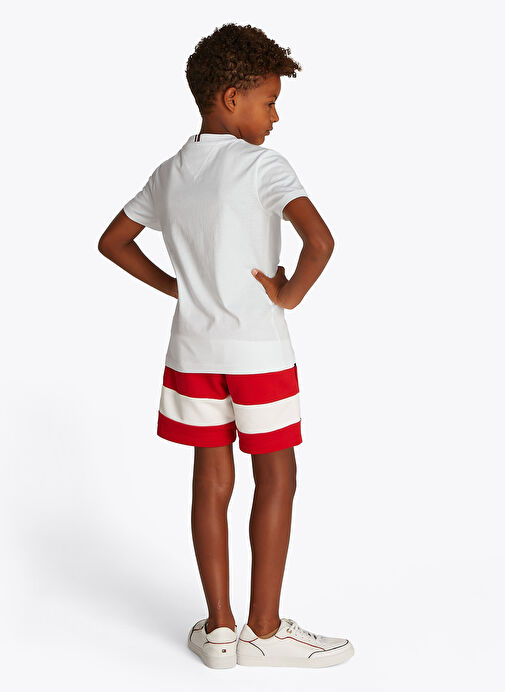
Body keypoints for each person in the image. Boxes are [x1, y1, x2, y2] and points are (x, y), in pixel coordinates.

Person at [98, 22, 354, 669]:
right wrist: (289, 294)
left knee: (210, 480)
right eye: (269, 102)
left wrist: (174, 286)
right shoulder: (263, 165)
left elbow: (113, 241)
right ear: (231, 98)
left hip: (192, 354)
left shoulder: (170, 172)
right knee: (277, 475)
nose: (275, 117)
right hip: (258, 354)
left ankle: (218, 632)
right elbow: (320, 242)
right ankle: (264, 631)